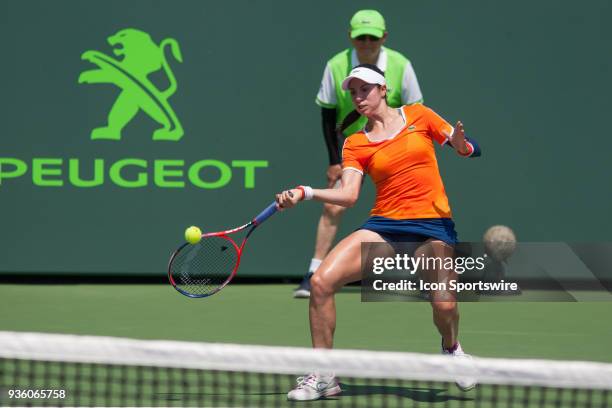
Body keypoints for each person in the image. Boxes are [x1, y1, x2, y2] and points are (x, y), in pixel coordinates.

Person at [277, 64, 481, 401]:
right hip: (385, 226)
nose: (358, 97)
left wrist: (461, 145)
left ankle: (452, 350)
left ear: (383, 89)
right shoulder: (356, 143)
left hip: (432, 226)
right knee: (321, 282)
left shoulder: (419, 115)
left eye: (365, 89)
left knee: (444, 306)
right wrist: (307, 192)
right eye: (353, 92)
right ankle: (324, 375)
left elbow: (469, 147)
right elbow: (349, 195)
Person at [293, 9, 424, 298]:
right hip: (354, 146)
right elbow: (329, 117)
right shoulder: (336, 65)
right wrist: (334, 159)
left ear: (384, 37)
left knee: (409, 207)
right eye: (361, 37)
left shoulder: (401, 66)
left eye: (373, 37)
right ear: (351, 37)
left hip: (396, 148)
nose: (367, 43)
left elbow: (416, 113)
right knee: (333, 206)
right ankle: (314, 271)